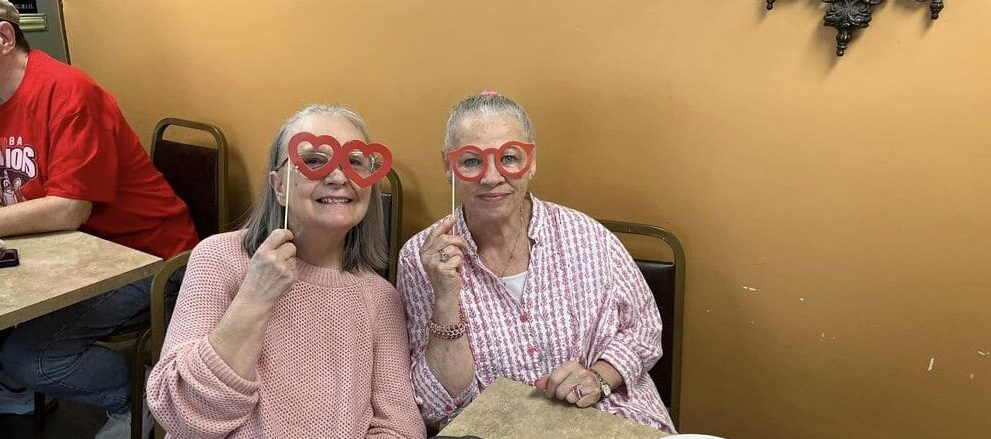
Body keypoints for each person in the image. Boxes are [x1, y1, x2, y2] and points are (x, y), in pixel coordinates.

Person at [398, 92, 675, 433]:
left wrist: (599, 378)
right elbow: (436, 402)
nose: (491, 176)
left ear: (531, 162)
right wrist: (444, 296)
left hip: (613, 419)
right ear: (448, 167)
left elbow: (645, 328)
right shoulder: (421, 258)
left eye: (509, 157)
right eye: (471, 161)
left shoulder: (586, 234)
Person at [147, 104, 425, 439]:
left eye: (354, 162)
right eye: (313, 161)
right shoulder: (218, 258)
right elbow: (180, 414)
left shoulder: (381, 297)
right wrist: (255, 297)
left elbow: (400, 427)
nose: (338, 177)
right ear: (279, 186)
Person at [0, 0, 198, 437]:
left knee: (30, 358)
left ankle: (139, 395)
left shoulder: (68, 92)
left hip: (147, 257)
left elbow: (70, 208)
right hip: (66, 255)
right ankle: (15, 386)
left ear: (4, 38)